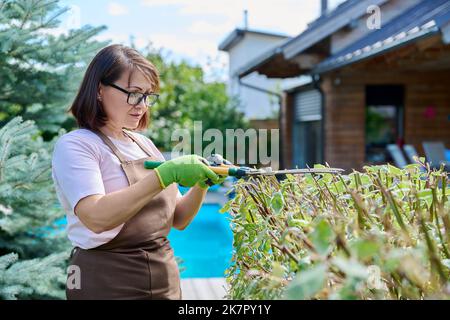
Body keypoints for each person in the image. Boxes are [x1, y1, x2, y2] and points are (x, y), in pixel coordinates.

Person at [51, 44, 223, 300]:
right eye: (133, 93)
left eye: (147, 95)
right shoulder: (78, 145)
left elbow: (179, 218)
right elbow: (96, 217)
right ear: (100, 90)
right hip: (106, 284)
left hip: (164, 285)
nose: (142, 105)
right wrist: (163, 176)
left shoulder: (143, 144)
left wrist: (203, 182)